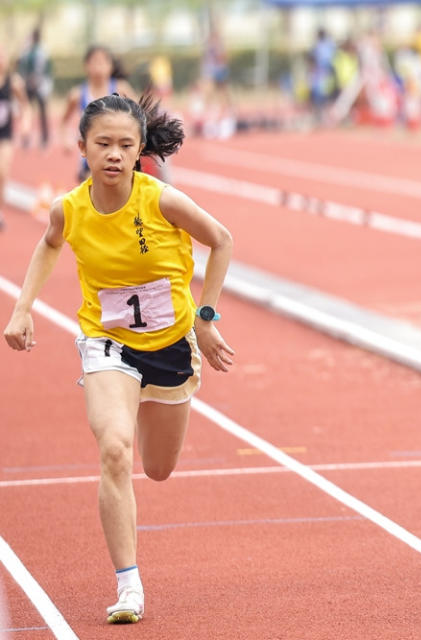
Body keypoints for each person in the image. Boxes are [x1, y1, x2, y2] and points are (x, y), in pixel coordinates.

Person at [3, 93, 235, 624]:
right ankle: (128, 585)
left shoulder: (162, 200)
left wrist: (206, 316)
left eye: (125, 145)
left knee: (156, 469)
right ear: (81, 146)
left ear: (139, 151)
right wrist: (22, 310)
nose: (112, 154)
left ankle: (163, 398)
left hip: (173, 343)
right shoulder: (71, 207)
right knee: (114, 448)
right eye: (102, 143)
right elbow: (49, 242)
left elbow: (221, 240)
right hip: (107, 343)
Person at [60, 45, 135, 183]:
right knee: (94, 193)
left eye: (102, 62)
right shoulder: (77, 94)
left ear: (110, 66)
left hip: (118, 152)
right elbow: (64, 121)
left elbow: (139, 117)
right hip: (91, 154)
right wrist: (66, 139)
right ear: (86, 66)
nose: (98, 66)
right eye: (94, 62)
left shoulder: (121, 89)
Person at [0, 48, 31, 232]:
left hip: (5, 135)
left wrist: (26, 123)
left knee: (2, 171)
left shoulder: (13, 82)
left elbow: (25, 106)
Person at [17, 27, 51, 149]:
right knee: (28, 111)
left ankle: (44, 139)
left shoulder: (40, 51)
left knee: (38, 112)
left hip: (39, 85)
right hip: (32, 85)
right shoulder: (31, 51)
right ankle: (29, 138)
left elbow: (44, 69)